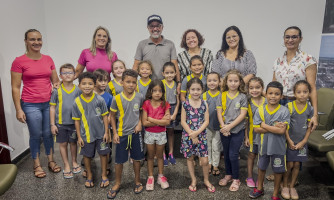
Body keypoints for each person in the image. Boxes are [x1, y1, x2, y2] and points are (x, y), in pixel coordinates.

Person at [11, 29, 61, 178]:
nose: (36, 42)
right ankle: (36, 163)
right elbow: (15, 87)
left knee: (48, 133)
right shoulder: (19, 61)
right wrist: (18, 109)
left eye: (39, 39)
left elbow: (55, 81)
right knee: (36, 135)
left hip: (48, 104)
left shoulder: (48, 59)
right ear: (26, 41)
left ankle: (51, 160)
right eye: (32, 39)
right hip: (30, 103)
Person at [249, 81, 290, 200]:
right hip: (263, 146)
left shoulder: (284, 111)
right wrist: (274, 127)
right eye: (270, 93)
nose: (273, 96)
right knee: (261, 168)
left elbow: (281, 131)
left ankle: (275, 194)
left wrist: (265, 125)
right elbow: (256, 129)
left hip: (279, 148)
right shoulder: (260, 110)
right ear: (265, 94)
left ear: (281, 96)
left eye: (277, 94)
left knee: (278, 171)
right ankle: (260, 189)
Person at [273, 26, 318, 132]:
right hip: (278, 103)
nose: (290, 40)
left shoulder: (308, 59)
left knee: (295, 139)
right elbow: (274, 85)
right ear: (283, 39)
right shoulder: (278, 61)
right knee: (278, 138)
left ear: (300, 39)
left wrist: (315, 114)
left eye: (294, 37)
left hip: (298, 104)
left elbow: (312, 88)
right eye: (287, 37)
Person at [108, 69, 144, 199]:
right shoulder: (116, 98)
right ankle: (117, 183)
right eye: (128, 82)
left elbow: (140, 112)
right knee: (119, 161)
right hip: (121, 134)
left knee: (137, 158)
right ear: (122, 82)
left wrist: (140, 123)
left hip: (135, 133)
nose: (131, 85)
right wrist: (115, 132)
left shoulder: (139, 97)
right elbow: (112, 116)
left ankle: (137, 181)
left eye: (134, 82)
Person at [72, 72, 110, 188]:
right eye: (84, 84)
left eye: (90, 84)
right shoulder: (76, 102)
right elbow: (77, 121)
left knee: (103, 155)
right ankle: (89, 175)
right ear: (79, 85)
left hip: (101, 135)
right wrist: (79, 136)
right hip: (86, 135)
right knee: (87, 156)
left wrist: (106, 132)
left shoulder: (100, 100)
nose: (87, 86)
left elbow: (104, 116)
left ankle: (104, 175)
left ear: (94, 85)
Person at [180, 78, 215, 193]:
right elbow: (183, 121)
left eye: (198, 89)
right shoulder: (185, 104)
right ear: (188, 90)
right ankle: (193, 180)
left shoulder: (204, 103)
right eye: (193, 89)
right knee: (190, 158)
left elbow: (206, 121)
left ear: (202, 90)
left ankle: (206, 180)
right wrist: (192, 134)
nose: (195, 92)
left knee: (204, 161)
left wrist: (197, 133)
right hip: (188, 136)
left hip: (201, 136)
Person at [281, 80, 313, 200]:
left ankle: (292, 186)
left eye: (305, 92)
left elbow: (309, 127)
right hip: (289, 140)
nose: (302, 94)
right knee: (289, 164)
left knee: (297, 164)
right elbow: (285, 127)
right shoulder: (288, 106)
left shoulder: (310, 109)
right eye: (299, 92)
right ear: (294, 93)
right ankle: (284, 185)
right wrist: (289, 140)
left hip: (302, 142)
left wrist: (304, 141)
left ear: (309, 93)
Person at [216, 69, 247, 192]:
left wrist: (230, 127)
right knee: (227, 154)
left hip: (237, 131)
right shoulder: (222, 95)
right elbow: (219, 112)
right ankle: (228, 175)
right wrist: (224, 127)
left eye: (236, 81)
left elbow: (242, 115)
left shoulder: (242, 97)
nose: (233, 83)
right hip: (224, 130)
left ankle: (236, 178)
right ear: (226, 82)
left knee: (234, 155)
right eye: (230, 81)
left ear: (240, 82)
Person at [133, 14, 181, 92]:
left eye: (158, 26)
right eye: (152, 26)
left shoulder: (170, 44)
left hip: (166, 86)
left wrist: (178, 83)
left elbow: (175, 65)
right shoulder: (142, 44)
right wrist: (133, 82)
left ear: (162, 27)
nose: (155, 29)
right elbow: (136, 66)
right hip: (147, 86)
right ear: (148, 28)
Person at [50, 63, 82, 179]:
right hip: (60, 124)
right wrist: (53, 124)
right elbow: (52, 107)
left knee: (73, 143)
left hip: (74, 124)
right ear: (60, 75)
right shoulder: (56, 91)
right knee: (63, 144)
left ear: (74, 75)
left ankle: (74, 162)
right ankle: (66, 165)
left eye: (70, 72)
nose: (68, 75)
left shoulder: (78, 90)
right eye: (65, 73)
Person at [142, 80, 171, 190]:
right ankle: (150, 177)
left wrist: (151, 119)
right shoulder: (146, 103)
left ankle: (160, 176)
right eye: (155, 91)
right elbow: (144, 122)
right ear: (150, 91)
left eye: (160, 91)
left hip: (161, 134)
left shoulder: (165, 104)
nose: (157, 93)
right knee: (150, 156)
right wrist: (160, 120)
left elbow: (167, 122)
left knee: (160, 156)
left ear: (163, 92)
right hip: (149, 133)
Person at [244, 77, 266, 187]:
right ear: (248, 89)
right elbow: (246, 122)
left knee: (262, 157)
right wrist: (246, 137)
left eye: (257, 87)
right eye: (251, 88)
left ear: (262, 88)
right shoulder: (247, 102)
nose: (254, 90)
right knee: (252, 155)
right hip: (252, 135)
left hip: (265, 134)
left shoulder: (267, 101)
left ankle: (259, 178)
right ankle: (249, 177)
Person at [93, 69, 113, 175]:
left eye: (106, 80)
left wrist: (108, 123)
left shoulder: (109, 97)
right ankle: (89, 166)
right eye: (101, 81)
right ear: (94, 81)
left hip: (105, 127)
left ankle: (107, 166)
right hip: (91, 127)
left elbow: (111, 112)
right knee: (90, 147)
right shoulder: (89, 94)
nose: (104, 83)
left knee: (106, 147)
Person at [202, 72, 221, 176]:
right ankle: (209, 163)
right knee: (208, 145)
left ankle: (215, 165)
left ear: (219, 82)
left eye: (215, 80)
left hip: (218, 126)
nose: (212, 83)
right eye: (209, 81)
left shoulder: (222, 95)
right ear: (206, 82)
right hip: (206, 126)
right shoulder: (203, 95)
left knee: (216, 146)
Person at [161, 62, 180, 166]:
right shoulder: (161, 83)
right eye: (167, 73)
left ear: (175, 73)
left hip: (173, 109)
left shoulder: (176, 85)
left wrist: (175, 112)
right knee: (162, 132)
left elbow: (177, 100)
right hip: (163, 110)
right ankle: (163, 154)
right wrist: (164, 114)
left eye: (171, 72)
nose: (169, 75)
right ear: (163, 73)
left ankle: (171, 153)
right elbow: (159, 100)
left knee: (171, 132)